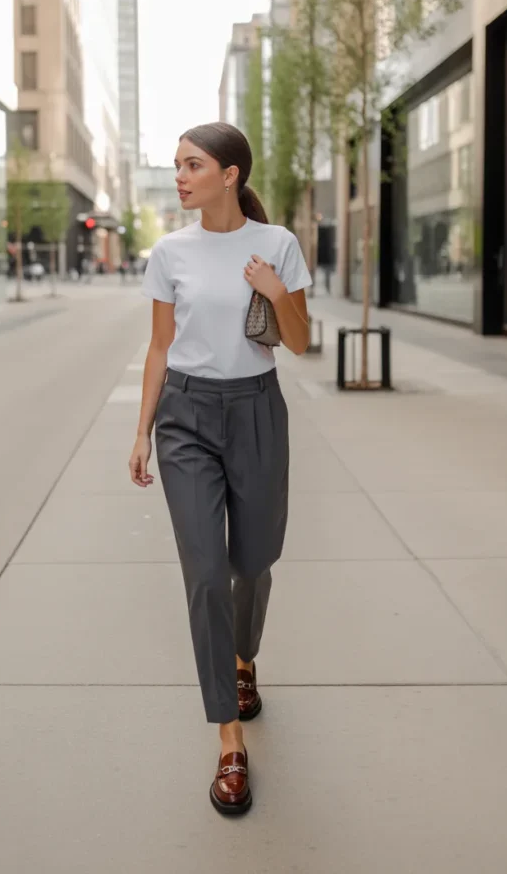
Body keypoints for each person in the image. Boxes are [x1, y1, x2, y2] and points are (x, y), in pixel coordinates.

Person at [129, 122, 312, 816]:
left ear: (229, 174)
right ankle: (228, 736)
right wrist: (142, 430)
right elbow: (157, 347)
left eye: (192, 164)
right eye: (177, 164)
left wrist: (275, 288)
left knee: (254, 558)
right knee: (206, 571)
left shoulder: (276, 245)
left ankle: (243, 659)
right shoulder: (169, 252)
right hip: (186, 419)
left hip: (258, 412)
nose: (180, 175)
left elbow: (296, 341)